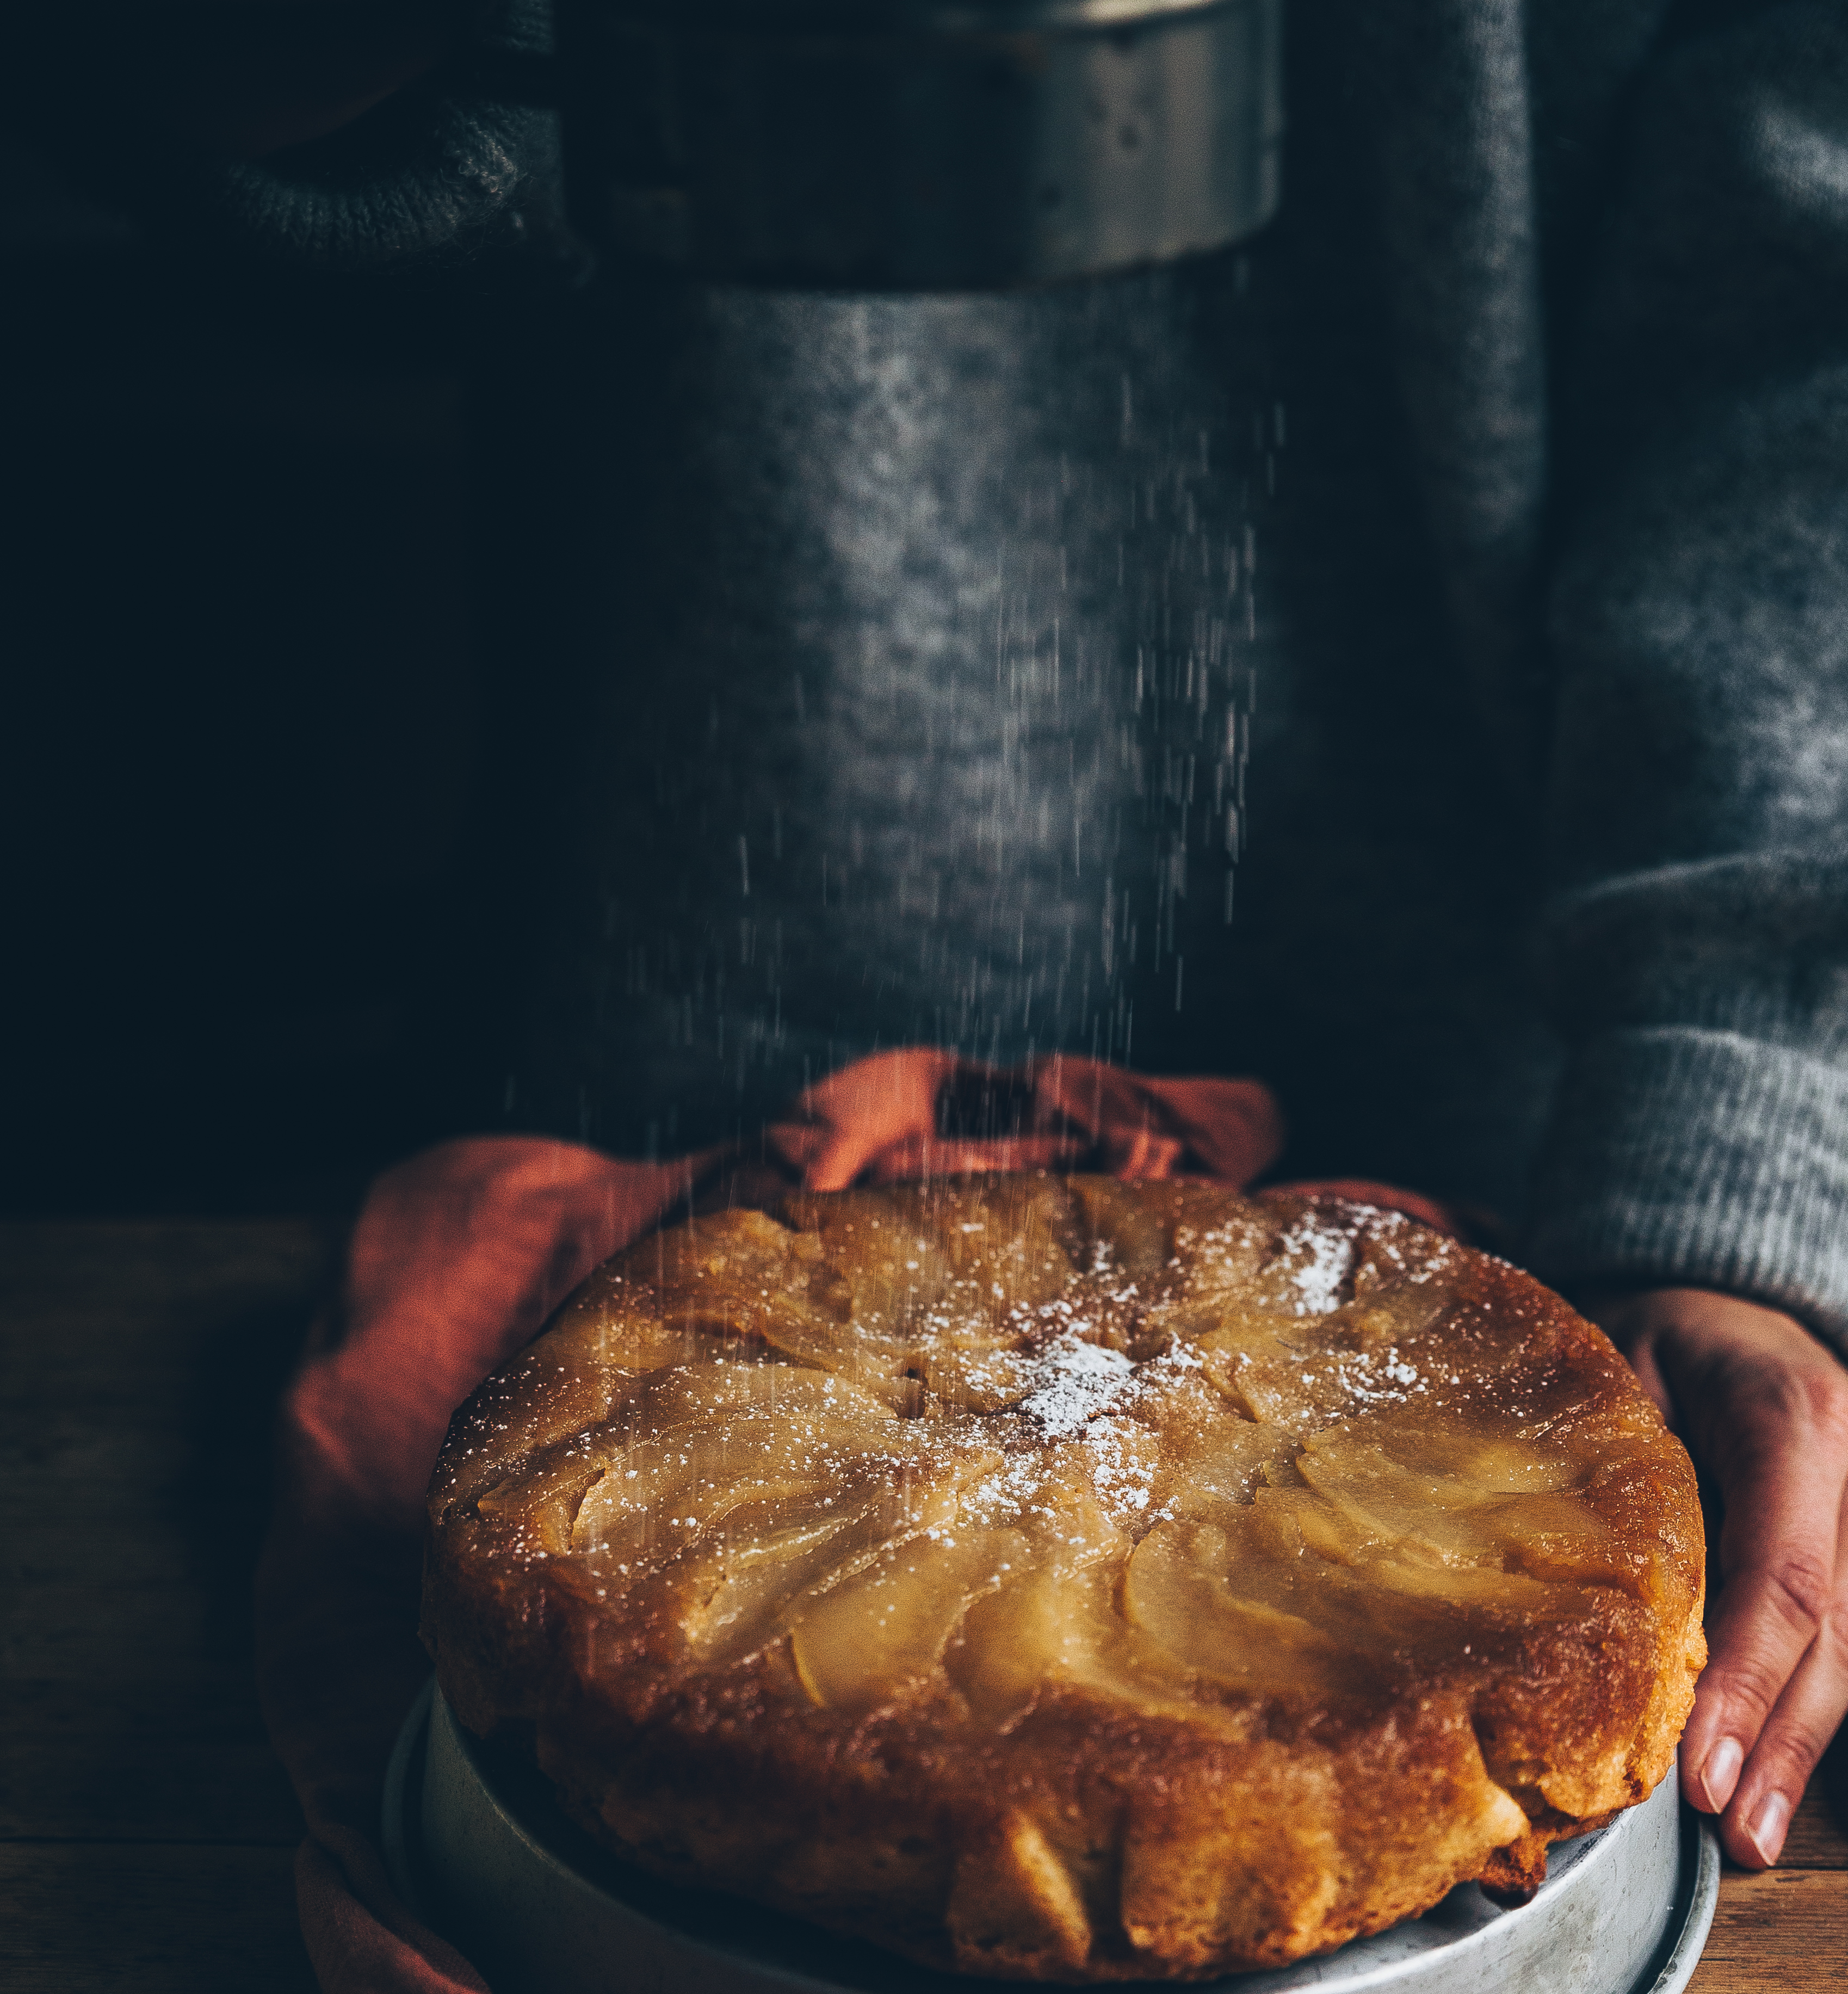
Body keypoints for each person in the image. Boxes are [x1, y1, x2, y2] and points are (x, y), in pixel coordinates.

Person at [32, 0, 1848, 1869]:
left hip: (1544, 1190)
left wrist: (1739, 1115)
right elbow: (253, 141)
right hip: (658, 1144)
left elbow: (1814, 335)